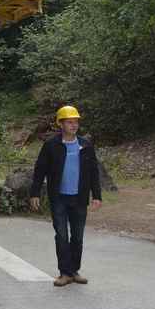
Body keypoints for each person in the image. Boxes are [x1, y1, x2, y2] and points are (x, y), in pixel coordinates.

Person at [29, 105, 103, 287]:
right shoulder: (51, 146)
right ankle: (64, 273)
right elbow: (40, 171)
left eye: (76, 121)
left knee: (77, 237)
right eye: (70, 122)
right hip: (59, 198)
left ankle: (74, 271)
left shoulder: (85, 145)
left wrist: (97, 195)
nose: (74, 125)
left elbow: (94, 171)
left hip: (79, 198)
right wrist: (35, 193)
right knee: (61, 235)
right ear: (60, 124)